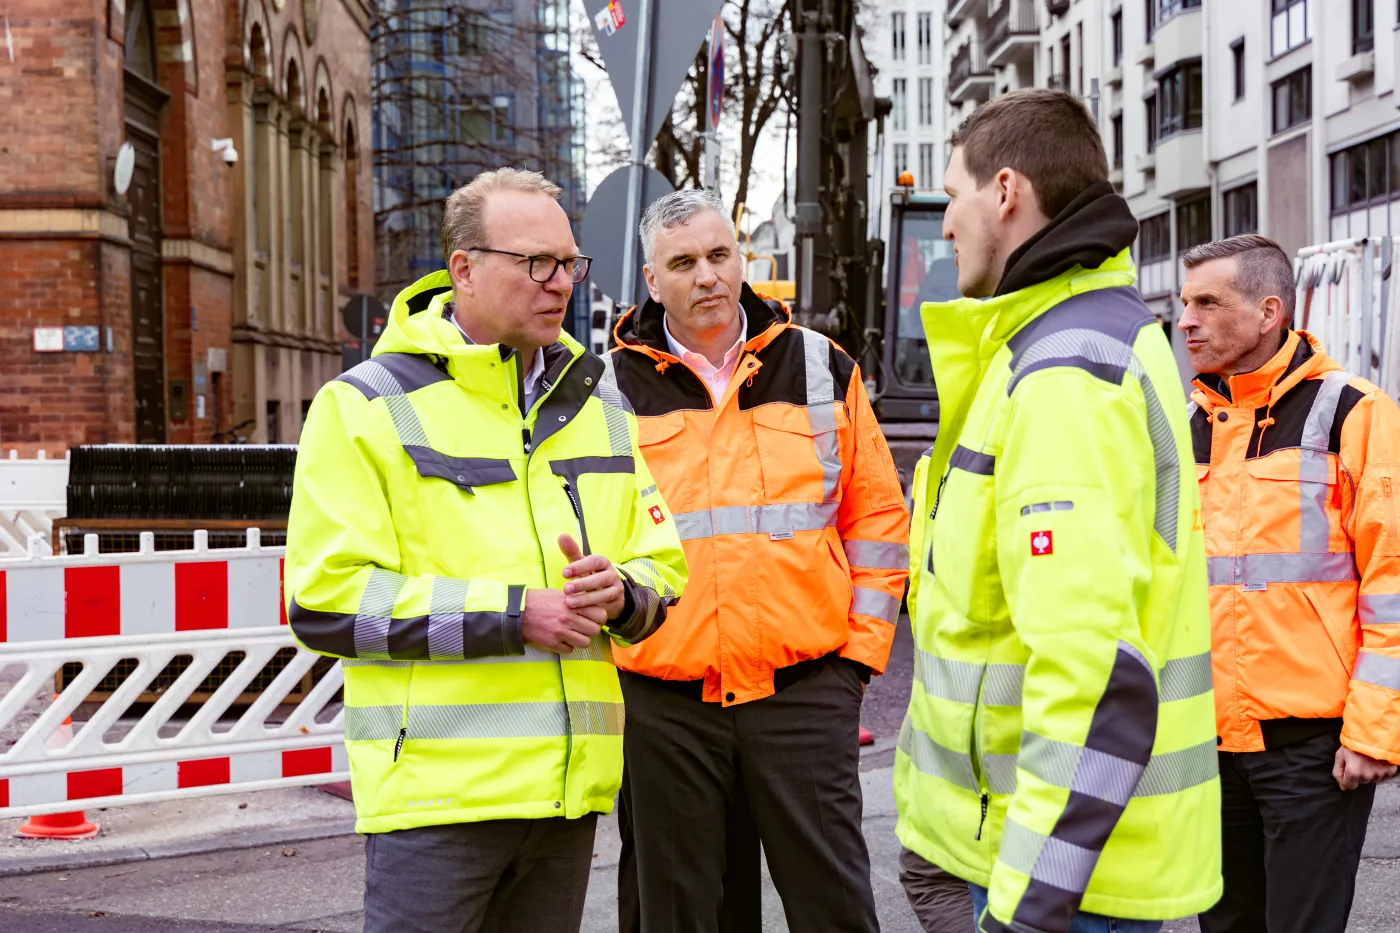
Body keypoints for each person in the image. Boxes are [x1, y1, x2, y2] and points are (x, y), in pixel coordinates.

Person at [283, 167, 688, 933]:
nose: (559, 283)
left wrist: (622, 594)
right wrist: (513, 615)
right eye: (535, 262)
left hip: (566, 799)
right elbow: (325, 601)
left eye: (569, 263)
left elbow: (661, 564)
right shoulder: (364, 405)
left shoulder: (599, 402)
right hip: (438, 802)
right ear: (463, 269)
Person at [895, 87, 1222, 933]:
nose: (947, 223)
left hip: (1061, 884)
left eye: (954, 195)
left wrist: (1030, 906)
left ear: (1005, 191)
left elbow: (1091, 669)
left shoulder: (1064, 372)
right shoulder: (1077, 339)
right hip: (1068, 860)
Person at [606, 187, 909, 933]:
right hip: (665, 706)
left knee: (835, 910)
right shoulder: (607, 388)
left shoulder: (822, 367)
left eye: (719, 254)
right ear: (652, 281)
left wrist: (855, 664)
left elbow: (876, 520)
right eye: (683, 262)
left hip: (804, 692)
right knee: (678, 915)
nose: (707, 275)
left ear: (742, 260)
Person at [1179, 234, 1400, 933]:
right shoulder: (1187, 426)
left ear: (1269, 311)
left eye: (1208, 303)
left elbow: (1392, 580)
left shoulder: (1354, 412)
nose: (1186, 321)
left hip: (1313, 750)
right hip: (1208, 742)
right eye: (1185, 303)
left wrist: (1374, 731)